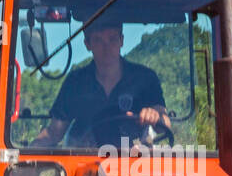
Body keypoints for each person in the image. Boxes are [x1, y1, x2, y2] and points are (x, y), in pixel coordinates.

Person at [31, 21, 169, 148]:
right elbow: (54, 132)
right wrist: (28, 153)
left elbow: (164, 123)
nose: (106, 47)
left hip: (134, 164)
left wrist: (154, 116)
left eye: (112, 39)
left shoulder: (144, 78)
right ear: (87, 44)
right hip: (86, 166)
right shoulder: (75, 83)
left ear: (121, 40)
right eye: (98, 40)